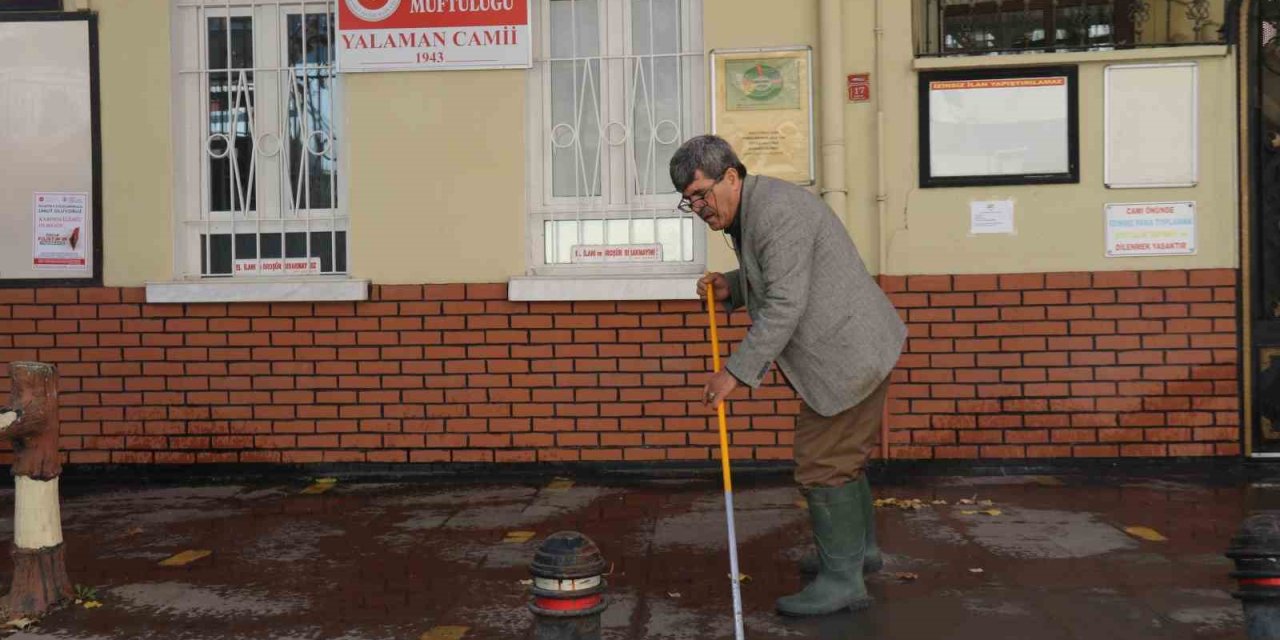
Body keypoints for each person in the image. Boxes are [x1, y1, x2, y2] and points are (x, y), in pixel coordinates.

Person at [669, 135, 906, 617]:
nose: (696, 207)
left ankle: (843, 580)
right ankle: (858, 554)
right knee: (842, 456)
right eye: (688, 200)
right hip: (850, 350)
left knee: (823, 462)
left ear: (731, 177)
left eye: (701, 194)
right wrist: (731, 288)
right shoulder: (756, 208)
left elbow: (785, 303)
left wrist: (734, 373)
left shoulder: (775, 214)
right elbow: (780, 276)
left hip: (849, 355)